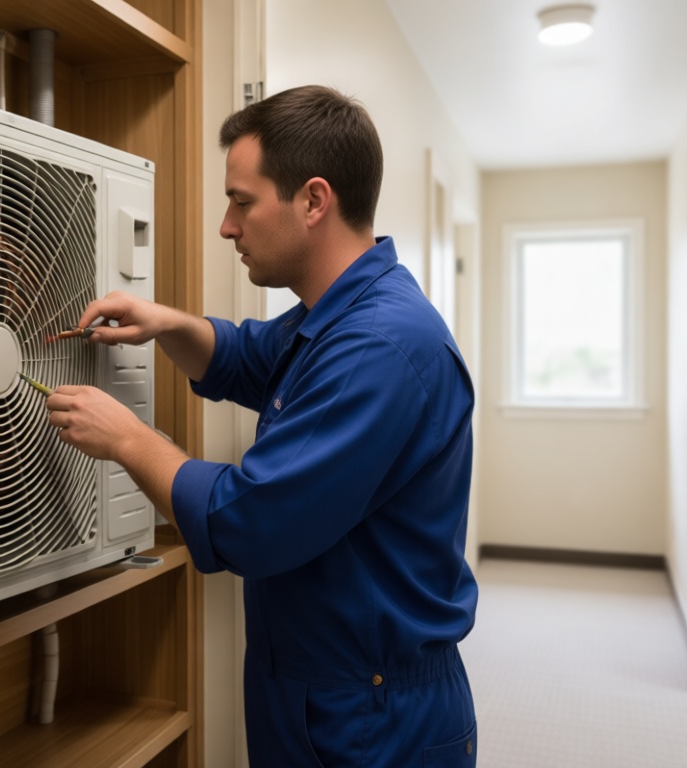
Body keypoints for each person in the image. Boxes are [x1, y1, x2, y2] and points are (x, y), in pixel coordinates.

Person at [43, 85, 478, 767]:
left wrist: (126, 438)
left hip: (372, 719)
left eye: (241, 202)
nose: (225, 226)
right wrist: (166, 323)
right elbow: (251, 357)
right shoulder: (337, 312)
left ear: (313, 201)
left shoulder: (381, 347)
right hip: (317, 690)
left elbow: (250, 520)